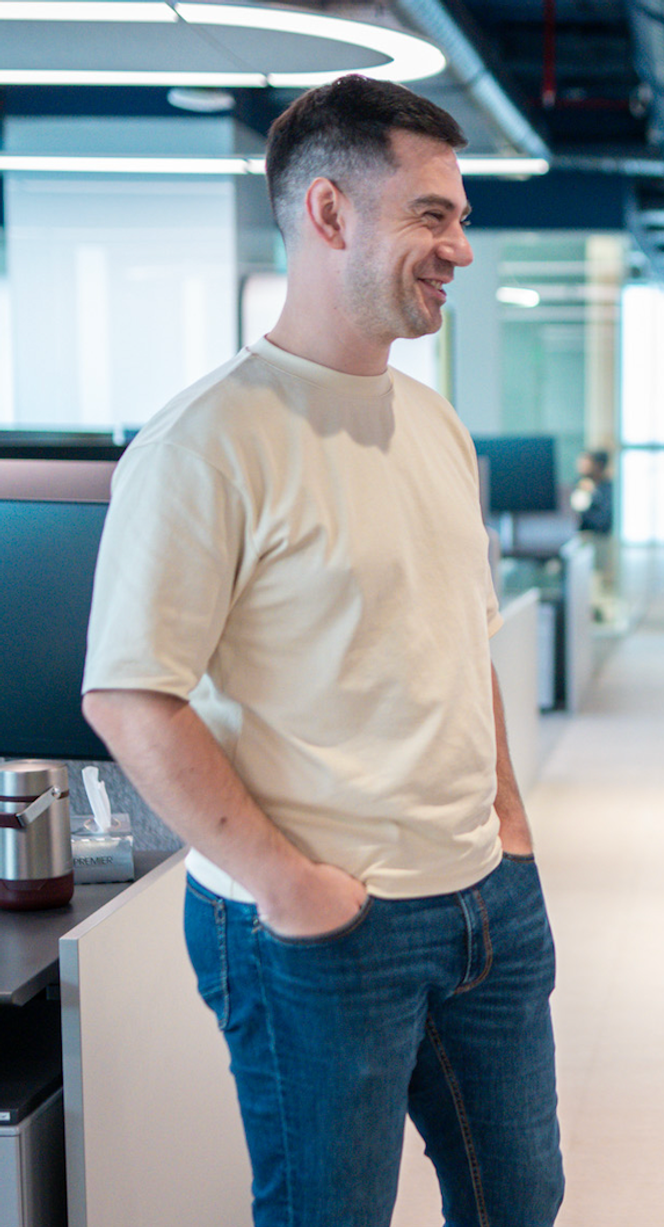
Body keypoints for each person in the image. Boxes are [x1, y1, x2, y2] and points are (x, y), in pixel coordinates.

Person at [82, 75, 563, 1227]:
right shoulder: (207, 441)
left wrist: (506, 825)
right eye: (432, 215)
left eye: (460, 217)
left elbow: (460, 644)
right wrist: (286, 885)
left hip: (483, 902)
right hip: (321, 923)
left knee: (521, 1203)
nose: (460, 248)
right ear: (331, 214)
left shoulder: (435, 425)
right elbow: (129, 697)